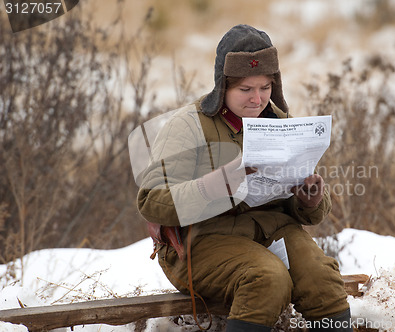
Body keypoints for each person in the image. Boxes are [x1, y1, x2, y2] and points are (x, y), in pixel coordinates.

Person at [136, 24, 351, 331]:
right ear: (223, 86)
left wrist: (310, 199)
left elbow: (308, 208)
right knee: (267, 278)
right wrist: (209, 187)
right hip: (201, 241)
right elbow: (149, 201)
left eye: (265, 88)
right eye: (245, 90)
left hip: (270, 231)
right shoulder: (187, 126)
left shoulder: (282, 124)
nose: (257, 99)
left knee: (322, 277)